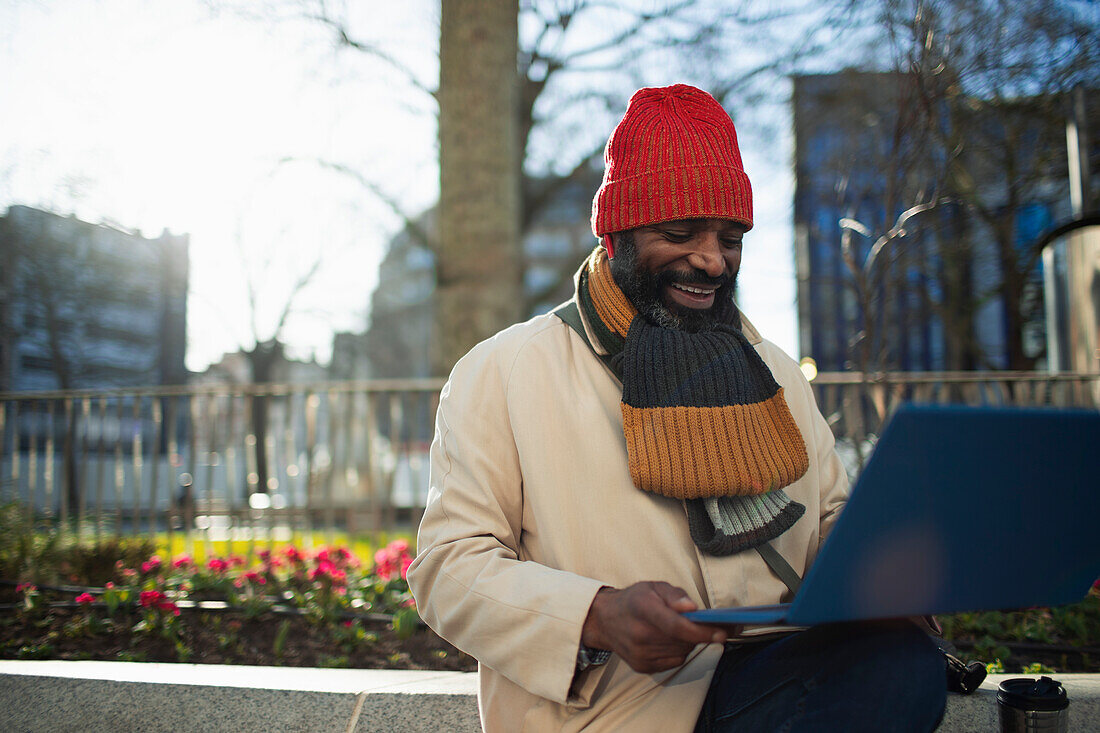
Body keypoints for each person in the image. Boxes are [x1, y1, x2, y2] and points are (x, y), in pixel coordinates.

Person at [407, 83, 946, 732]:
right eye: (681, 231)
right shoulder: (503, 369)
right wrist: (596, 614)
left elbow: (831, 516)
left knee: (904, 664)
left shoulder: (773, 367)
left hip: (780, 679)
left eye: (731, 236)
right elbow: (446, 568)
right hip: (619, 710)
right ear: (616, 236)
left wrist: (881, 579)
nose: (711, 259)